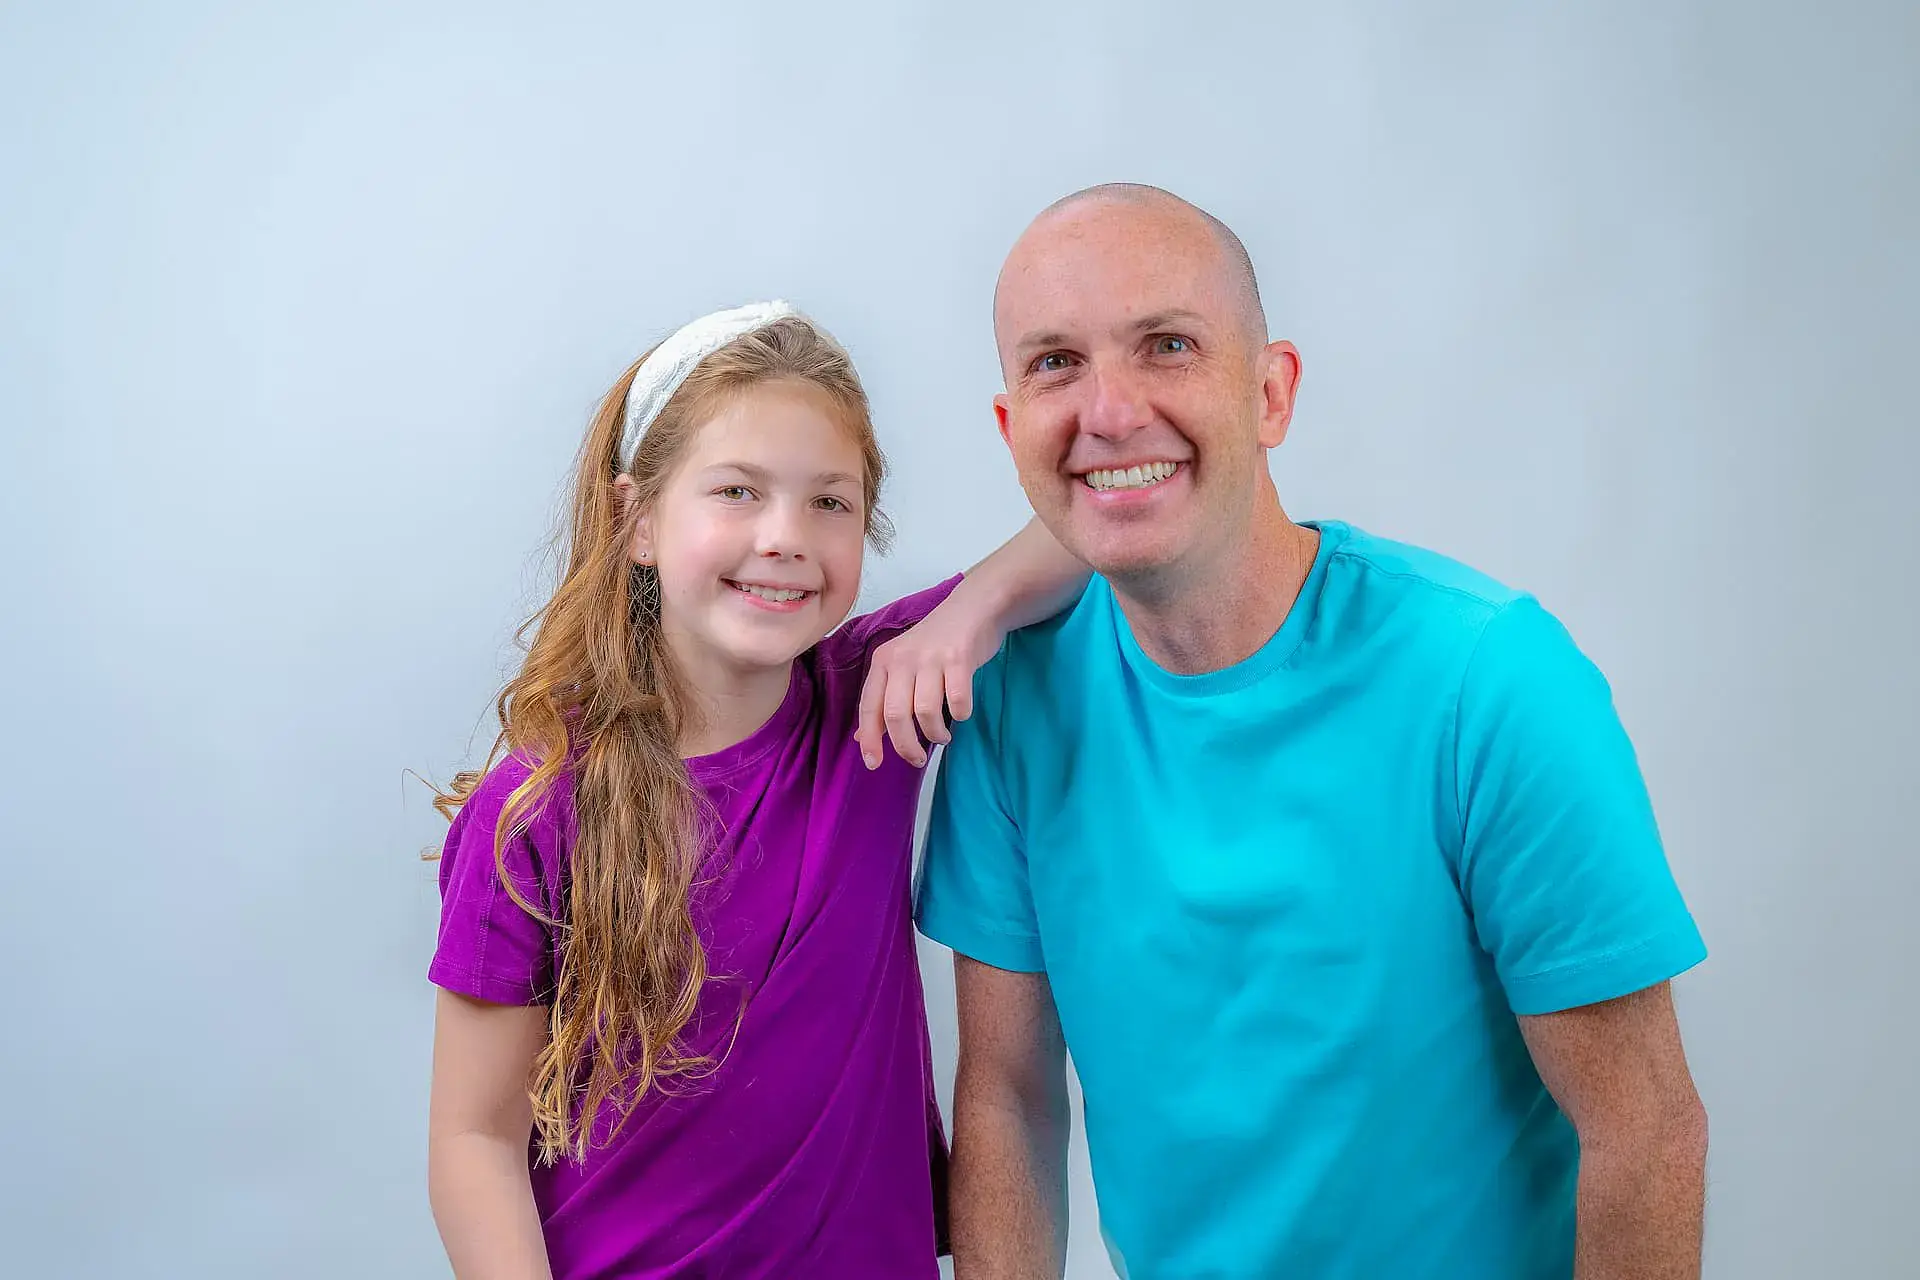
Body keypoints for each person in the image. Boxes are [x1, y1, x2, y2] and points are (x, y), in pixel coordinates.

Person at [914, 185, 1710, 1279]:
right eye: (1057, 362)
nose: (1108, 410)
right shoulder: (1012, 705)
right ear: (1012, 428)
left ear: (1270, 392)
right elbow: (1007, 1097)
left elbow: (1645, 1127)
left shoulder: (1487, 679)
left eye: (1168, 345)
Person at [424, 301, 1086, 1279]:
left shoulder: (879, 698)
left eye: (832, 501)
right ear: (636, 519)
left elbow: (1089, 534)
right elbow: (473, 1138)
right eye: (737, 491)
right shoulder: (536, 809)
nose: (786, 536)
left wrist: (974, 607)